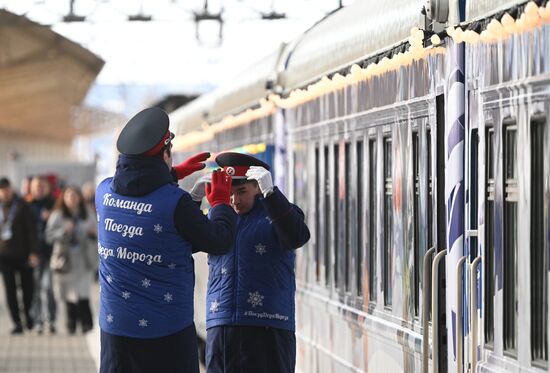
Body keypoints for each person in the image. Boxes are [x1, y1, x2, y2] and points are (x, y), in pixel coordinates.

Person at [96, 107, 237, 373]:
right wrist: (219, 203)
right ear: (165, 154)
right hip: (167, 333)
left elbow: (140, 202)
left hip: (116, 332)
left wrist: (169, 176)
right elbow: (219, 241)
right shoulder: (176, 204)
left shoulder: (103, 194)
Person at [193, 152, 310, 373]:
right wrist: (194, 201)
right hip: (222, 325)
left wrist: (272, 195)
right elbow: (184, 242)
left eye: (242, 192)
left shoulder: (279, 213)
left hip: (268, 327)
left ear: (258, 186)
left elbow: (297, 236)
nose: (235, 201)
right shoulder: (219, 218)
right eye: (230, 194)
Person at [45, 186, 97, 334]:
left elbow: (98, 231)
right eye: (69, 196)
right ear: (64, 198)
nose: (72, 199)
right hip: (65, 259)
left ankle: (87, 323)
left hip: (83, 257)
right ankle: (71, 323)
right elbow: (48, 236)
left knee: (83, 292)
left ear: (80, 198)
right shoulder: (58, 215)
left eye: (75, 196)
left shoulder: (87, 213)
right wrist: (63, 231)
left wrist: (93, 233)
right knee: (68, 293)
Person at [0, 177, 39, 334]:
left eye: (6, 188)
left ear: (11, 188)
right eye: (2, 190)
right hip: (4, 256)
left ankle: (28, 315)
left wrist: (34, 252)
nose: (4, 192)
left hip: (23, 255)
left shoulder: (22, 205)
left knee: (27, 288)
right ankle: (16, 322)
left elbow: (31, 230)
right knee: (10, 290)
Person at [29, 176, 57, 334]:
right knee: (36, 288)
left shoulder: (54, 204)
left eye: (41, 186)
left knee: (49, 288)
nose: (38, 189)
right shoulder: (27, 205)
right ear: (31, 189)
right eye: (36, 187)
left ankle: (51, 319)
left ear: (46, 188)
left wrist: (50, 217)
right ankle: (37, 320)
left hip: (51, 252)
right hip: (35, 253)